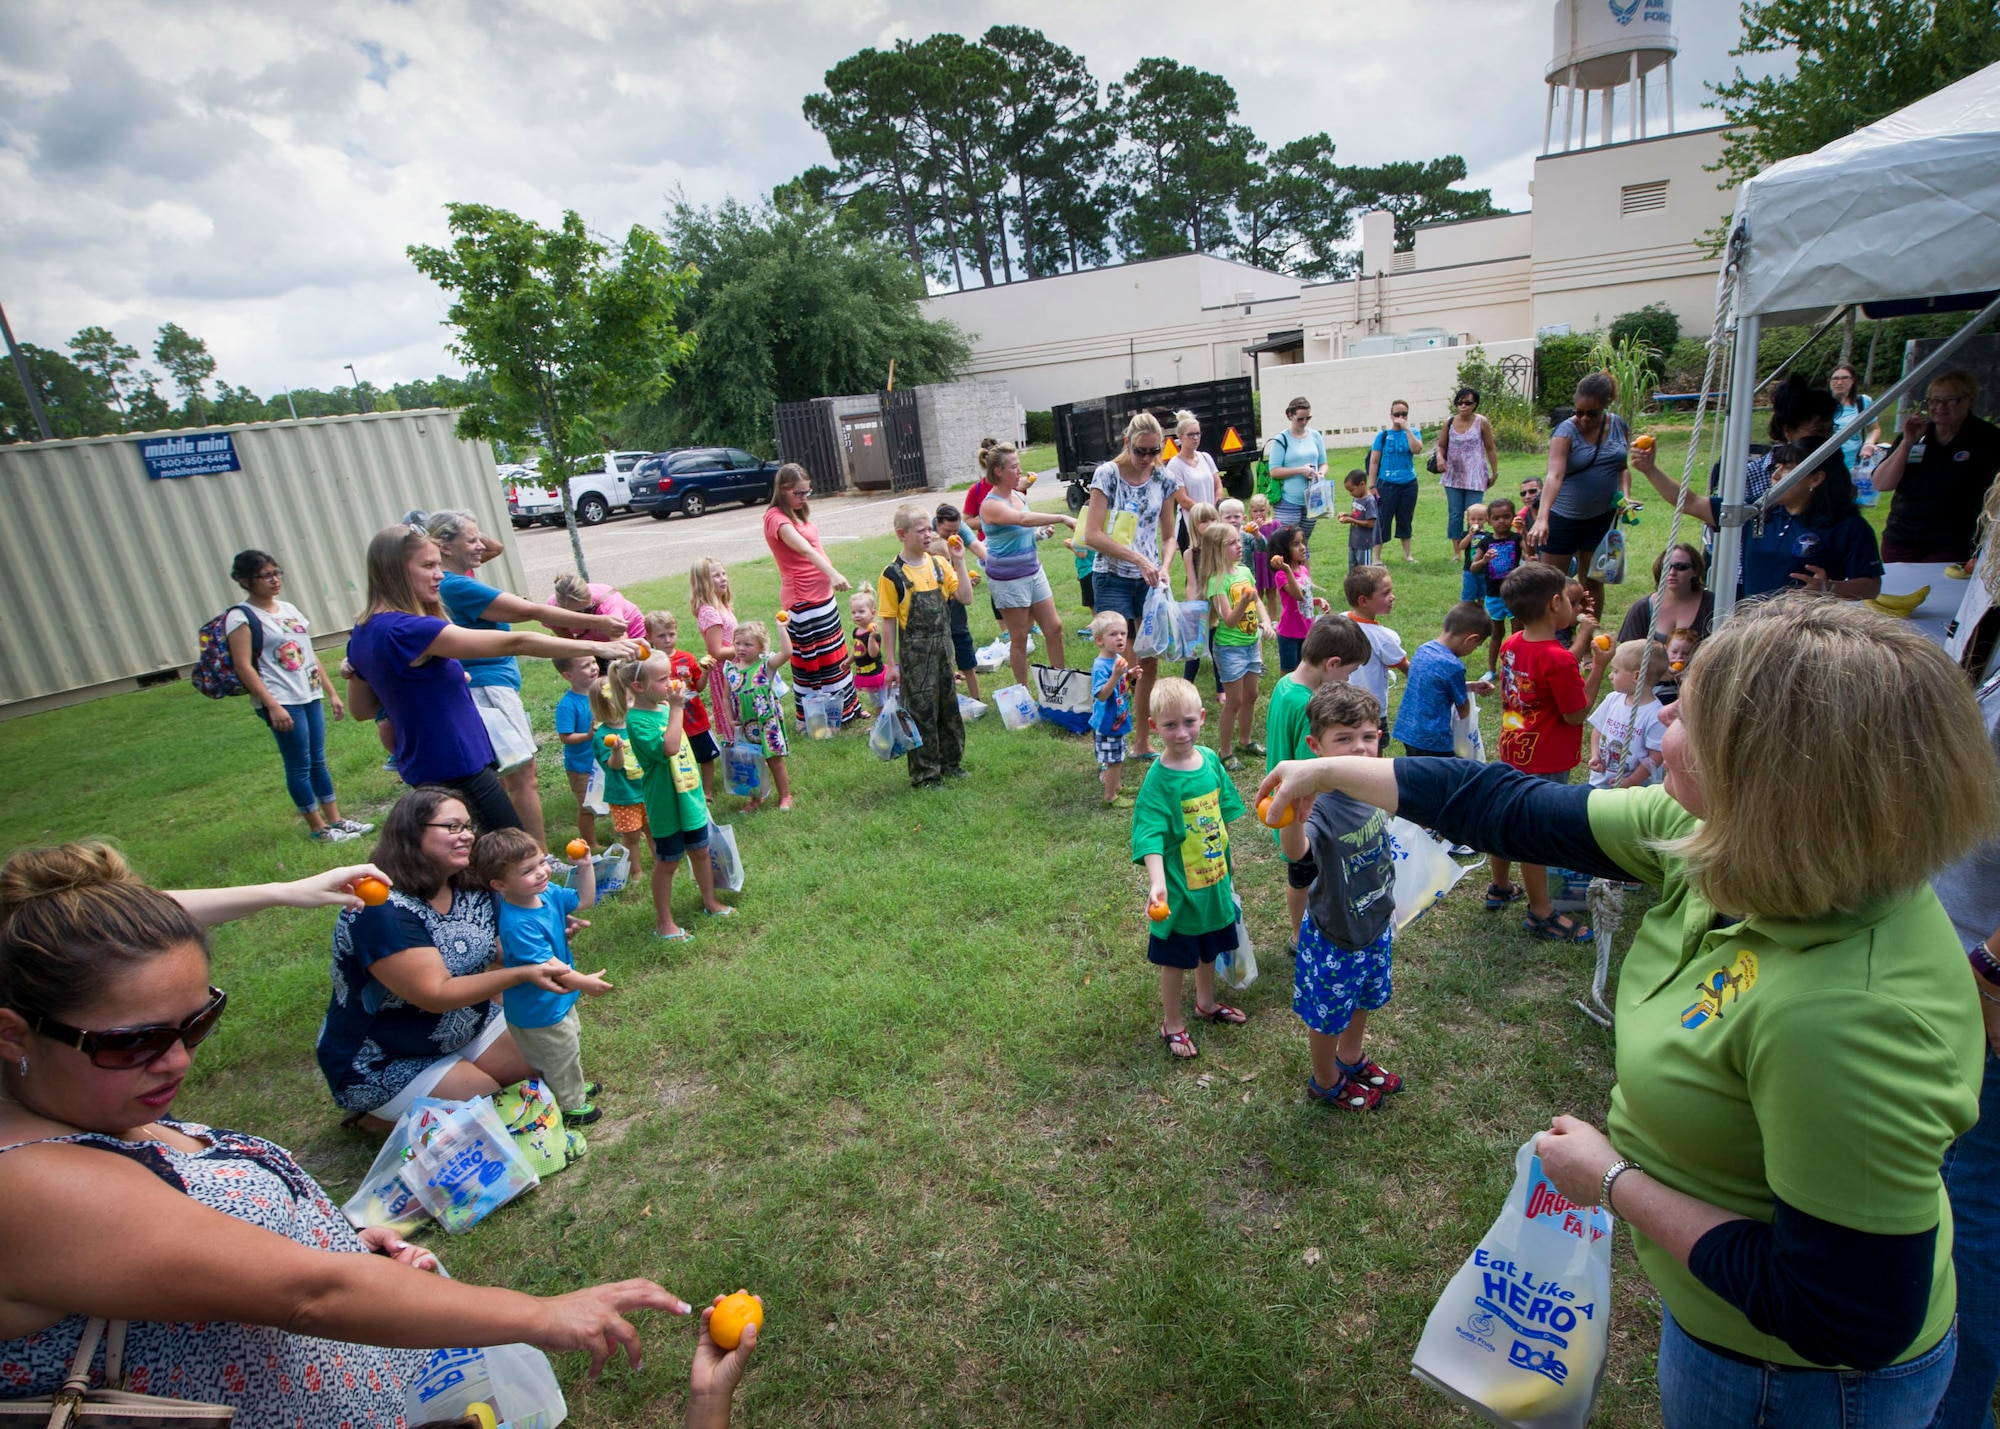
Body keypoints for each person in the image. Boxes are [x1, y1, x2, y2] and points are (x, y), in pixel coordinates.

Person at [1257, 593, 2000, 1429]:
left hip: (1796, 1385)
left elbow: (1848, 1315)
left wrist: (1613, 1180)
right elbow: (1506, 804)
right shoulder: (1726, 839)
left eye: (1697, 710)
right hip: (1725, 1334)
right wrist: (1325, 772)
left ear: (1770, 778)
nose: (1667, 711)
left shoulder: (1849, 1014)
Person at [0, 843, 689, 1424]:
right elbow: (311, 1294)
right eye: (137, 1042)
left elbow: (88, 936)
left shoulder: (84, 1100)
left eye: (196, 1021)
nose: (178, 1058)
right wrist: (544, 1314)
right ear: (12, 1033)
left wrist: (281, 891)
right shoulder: (26, 1186)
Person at [346, 528, 637, 834]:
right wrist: (596, 646)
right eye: (428, 566)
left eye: (438, 565)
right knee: (508, 849)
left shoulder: (365, 630)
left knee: (473, 855)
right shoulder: (407, 629)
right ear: (394, 570)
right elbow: (515, 643)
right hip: (456, 763)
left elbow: (362, 709)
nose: (439, 575)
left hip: (423, 764)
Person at [317, 787, 565, 1123]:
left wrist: (542, 935)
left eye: (467, 827)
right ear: (412, 832)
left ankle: (450, 1084)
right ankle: (371, 1118)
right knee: (488, 1108)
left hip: (468, 1024)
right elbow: (435, 994)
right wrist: (522, 974)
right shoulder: (380, 908)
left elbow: (497, 948)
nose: (466, 836)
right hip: (388, 1054)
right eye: (452, 827)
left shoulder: (469, 882)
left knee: (547, 1069)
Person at [427, 511, 627, 847]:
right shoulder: (457, 585)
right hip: (488, 687)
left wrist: (461, 523)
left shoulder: (456, 576)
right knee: (523, 777)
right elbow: (529, 614)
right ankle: (536, 854)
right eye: (470, 540)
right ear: (445, 547)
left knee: (505, 777)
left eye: (478, 538)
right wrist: (601, 626)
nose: (480, 546)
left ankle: (508, 849)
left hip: (485, 684)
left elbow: (496, 547)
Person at [1931, 665, 2000, 1429]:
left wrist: (1991, 968)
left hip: (1984, 994)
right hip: (1964, 972)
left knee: (1971, 1207)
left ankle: (1949, 1412)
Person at [1279, 684, 1401, 1111]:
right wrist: (1295, 818)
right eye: (1344, 739)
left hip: (1375, 921)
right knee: (1328, 1014)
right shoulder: (1323, 803)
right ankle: (1325, 1079)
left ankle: (1350, 1058)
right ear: (1317, 747)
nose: (1360, 749)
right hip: (1336, 934)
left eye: (1367, 737)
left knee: (1364, 999)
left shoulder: (1377, 785)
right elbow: (1298, 854)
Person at [1131, 677, 1249, 1061]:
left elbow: (1223, 811)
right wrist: (1157, 884)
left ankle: (1206, 1002)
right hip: (1180, 888)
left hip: (1214, 881)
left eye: (1188, 722)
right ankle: (1172, 1023)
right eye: (1169, 725)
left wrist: (1229, 867)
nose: (1181, 733)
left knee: (1209, 946)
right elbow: (1148, 832)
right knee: (1176, 958)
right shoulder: (1160, 779)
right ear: (1154, 728)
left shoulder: (1211, 760)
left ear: (1201, 717)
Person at [1490, 562, 1608, 940]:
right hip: (1544, 758)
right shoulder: (1558, 658)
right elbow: (1575, 715)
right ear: (1556, 604)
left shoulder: (1513, 643)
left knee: (1508, 818)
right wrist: (1598, 668)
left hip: (1513, 748)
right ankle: (1541, 912)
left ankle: (1500, 886)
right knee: (1535, 832)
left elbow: (1545, 675)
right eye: (1571, 601)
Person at [222, 549, 365, 843]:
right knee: (298, 764)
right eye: (266, 575)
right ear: (246, 580)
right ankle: (318, 829)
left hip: (308, 694)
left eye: (277, 573)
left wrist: (331, 693)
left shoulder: (289, 609)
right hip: (281, 699)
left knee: (318, 760)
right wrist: (271, 705)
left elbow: (308, 655)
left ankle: (336, 821)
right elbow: (243, 666)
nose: (275, 580)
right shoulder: (241, 618)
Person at [472, 827, 608, 1127]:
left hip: (556, 998)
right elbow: (549, 967)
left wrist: (585, 866)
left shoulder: (546, 893)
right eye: (527, 871)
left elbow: (584, 901)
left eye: (541, 863)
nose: (541, 873)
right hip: (537, 1009)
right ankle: (570, 1105)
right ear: (499, 884)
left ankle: (568, 1085)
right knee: (558, 1054)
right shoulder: (518, 924)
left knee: (570, 1042)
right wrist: (586, 982)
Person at [1633, 441, 1884, 601]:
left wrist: (1829, 588)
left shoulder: (1848, 525)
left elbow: (1871, 586)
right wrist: (1649, 469)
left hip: (1811, 632)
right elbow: (1691, 503)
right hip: (1754, 626)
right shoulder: (1756, 510)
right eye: (1776, 466)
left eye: (1786, 469)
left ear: (1816, 479)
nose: (1774, 475)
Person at [607, 652, 731, 938]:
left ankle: (710, 901)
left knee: (700, 851)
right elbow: (670, 748)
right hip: (665, 805)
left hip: (688, 797)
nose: (671, 682)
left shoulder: (662, 706)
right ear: (638, 687)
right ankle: (664, 923)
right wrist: (677, 708)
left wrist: (671, 706)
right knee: (668, 862)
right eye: (663, 679)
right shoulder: (637, 721)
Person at [1082, 410, 1182, 761]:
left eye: (1155, 451)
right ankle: (1112, 739)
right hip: (1111, 577)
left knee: (1149, 661)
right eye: (1141, 451)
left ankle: (1141, 742)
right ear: (1127, 443)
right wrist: (1137, 558)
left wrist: (1164, 565)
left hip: (1149, 582)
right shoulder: (1107, 474)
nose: (1147, 459)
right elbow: (1092, 534)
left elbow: (1169, 535)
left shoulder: (1164, 478)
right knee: (1122, 661)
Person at [879, 505, 972, 790]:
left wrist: (959, 561)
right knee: (921, 713)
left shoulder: (939, 565)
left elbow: (965, 598)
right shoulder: (892, 575)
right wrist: (891, 664)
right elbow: (888, 622)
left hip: (943, 653)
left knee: (948, 709)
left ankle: (951, 763)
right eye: (921, 531)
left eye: (929, 529)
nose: (928, 535)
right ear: (901, 534)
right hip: (915, 658)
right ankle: (925, 775)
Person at [762, 463, 858, 725]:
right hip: (802, 599)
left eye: (807, 492)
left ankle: (845, 708)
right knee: (812, 660)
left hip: (822, 597)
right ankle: (816, 717)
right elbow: (805, 549)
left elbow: (815, 545)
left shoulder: (796, 513)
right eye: (799, 493)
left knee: (833, 653)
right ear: (783, 490)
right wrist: (833, 573)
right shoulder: (775, 518)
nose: (804, 498)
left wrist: (829, 578)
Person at [1873, 370, 2000, 565]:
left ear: (1970, 400)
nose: (1940, 407)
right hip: (1902, 538)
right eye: (1933, 401)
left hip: (1953, 543)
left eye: (1950, 401)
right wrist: (1907, 442)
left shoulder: (1987, 439)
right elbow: (1882, 483)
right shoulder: (1918, 434)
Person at [977, 441, 1074, 690]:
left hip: (1033, 571)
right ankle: (1023, 692)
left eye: (1018, 466)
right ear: (998, 471)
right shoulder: (991, 505)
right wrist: (1061, 517)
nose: (1019, 471)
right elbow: (1022, 519)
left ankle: (1059, 685)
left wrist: (1040, 535)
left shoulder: (1018, 495)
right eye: (1014, 467)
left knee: (1054, 628)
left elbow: (1022, 531)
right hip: (1008, 579)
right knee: (1019, 638)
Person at [1530, 371, 1627, 616]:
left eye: (1591, 413)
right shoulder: (1565, 431)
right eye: (1578, 411)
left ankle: (1586, 641)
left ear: (1607, 404)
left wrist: (1625, 496)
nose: (1583, 418)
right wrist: (1542, 518)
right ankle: (1551, 641)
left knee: (1593, 581)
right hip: (1563, 517)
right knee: (1552, 583)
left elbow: (1623, 468)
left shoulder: (1618, 426)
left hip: (1601, 516)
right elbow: (1555, 475)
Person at [1198, 520, 1268, 770]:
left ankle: (1246, 740)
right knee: (1234, 700)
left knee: (1252, 695)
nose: (1239, 546)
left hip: (1250, 643)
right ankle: (1225, 751)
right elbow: (1227, 620)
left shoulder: (1244, 571)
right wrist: (1243, 601)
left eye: (1239, 541)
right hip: (1230, 649)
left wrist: (1267, 622)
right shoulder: (1215, 583)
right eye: (1232, 543)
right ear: (1217, 549)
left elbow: (1258, 600)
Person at [1391, 601, 1494, 759]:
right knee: (1440, 780)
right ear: (1471, 639)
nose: (1474, 650)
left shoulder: (1423, 650)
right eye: (1477, 645)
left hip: (1408, 731)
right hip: (1433, 740)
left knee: (1415, 775)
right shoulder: (1453, 666)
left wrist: (1471, 686)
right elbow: (1463, 708)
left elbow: (1433, 685)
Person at [644, 609, 719, 800]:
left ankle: (707, 792)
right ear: (649, 636)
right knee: (676, 759)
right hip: (667, 722)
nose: (667, 639)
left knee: (706, 756)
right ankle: (681, 791)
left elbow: (699, 687)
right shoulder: (649, 663)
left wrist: (706, 673)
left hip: (695, 718)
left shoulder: (686, 658)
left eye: (671, 634)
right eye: (661, 636)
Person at [720, 620, 793, 811]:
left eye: (748, 644)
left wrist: (781, 628)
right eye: (737, 643)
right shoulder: (730, 670)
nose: (741, 648)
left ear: (761, 646)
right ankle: (755, 797)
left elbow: (787, 653)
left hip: (767, 723)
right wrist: (729, 718)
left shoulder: (765, 665)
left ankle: (785, 796)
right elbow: (726, 697)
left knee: (774, 761)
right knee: (750, 763)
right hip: (745, 725)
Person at [1614, 542, 1714, 670]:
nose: (1672, 572)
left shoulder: (1712, 604)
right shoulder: (1642, 608)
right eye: (1666, 566)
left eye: (1681, 567)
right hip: (1651, 685)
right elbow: (1625, 658)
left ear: (1695, 571)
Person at [589, 676, 650, 874]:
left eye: (631, 700)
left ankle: (663, 861)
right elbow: (614, 766)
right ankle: (636, 871)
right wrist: (616, 750)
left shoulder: (635, 723)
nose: (630, 705)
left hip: (647, 788)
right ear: (606, 708)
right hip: (623, 795)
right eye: (625, 702)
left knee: (654, 830)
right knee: (631, 836)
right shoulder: (602, 736)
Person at [1587, 640, 1667, 789]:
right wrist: (1595, 755)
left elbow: (1655, 757)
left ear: (1637, 676)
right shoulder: (1612, 699)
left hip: (1633, 791)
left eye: (1616, 671)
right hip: (1600, 782)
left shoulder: (1656, 715)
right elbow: (1598, 729)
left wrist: (1631, 781)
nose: (1610, 676)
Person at [1341, 565, 1407, 729]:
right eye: (1385, 593)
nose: (1392, 597)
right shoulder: (1385, 638)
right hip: (1372, 710)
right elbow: (1408, 669)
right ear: (1363, 600)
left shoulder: (1339, 622)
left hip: (1340, 704)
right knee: (1374, 752)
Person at [933, 504, 987, 699]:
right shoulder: (929, 544)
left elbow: (960, 587)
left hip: (956, 616)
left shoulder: (953, 546)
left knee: (966, 658)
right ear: (936, 524)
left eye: (956, 531)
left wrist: (966, 579)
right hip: (938, 618)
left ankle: (976, 699)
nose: (952, 535)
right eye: (948, 531)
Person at [1469, 497, 1524, 679]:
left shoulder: (1517, 539)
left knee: (1518, 634)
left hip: (1515, 595)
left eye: (1506, 516)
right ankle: (1491, 670)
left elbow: (1530, 553)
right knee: (1496, 634)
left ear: (1513, 517)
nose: (1502, 521)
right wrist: (1484, 560)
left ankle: (1517, 668)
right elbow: (1473, 566)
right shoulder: (1485, 542)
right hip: (1493, 596)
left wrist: (1523, 530)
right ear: (1489, 521)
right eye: (1497, 517)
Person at [552, 655, 601, 851]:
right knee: (587, 807)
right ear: (568, 675)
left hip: (606, 760)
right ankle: (591, 842)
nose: (593, 668)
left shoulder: (601, 694)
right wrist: (588, 735)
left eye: (594, 663)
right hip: (581, 766)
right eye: (585, 666)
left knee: (617, 797)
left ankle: (627, 827)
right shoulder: (568, 704)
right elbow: (565, 737)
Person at [1438, 386, 1499, 544]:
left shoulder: (1481, 422)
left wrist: (1494, 472)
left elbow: (1490, 447)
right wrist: (1440, 458)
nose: (1463, 406)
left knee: (1474, 513)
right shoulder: (1449, 422)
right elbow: (1441, 445)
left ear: (1475, 404)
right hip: (1453, 474)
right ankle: (1457, 550)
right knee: (1455, 513)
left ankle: (1474, 546)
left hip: (1475, 474)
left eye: (1467, 402)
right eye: (1459, 403)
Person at [1367, 398, 1424, 563]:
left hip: (1408, 483)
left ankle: (1408, 555)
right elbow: (1374, 461)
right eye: (1397, 414)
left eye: (1404, 414)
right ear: (1391, 415)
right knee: (1383, 519)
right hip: (1387, 483)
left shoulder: (1413, 432)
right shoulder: (1383, 435)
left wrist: (1407, 430)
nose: (1400, 417)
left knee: (1406, 518)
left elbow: (1417, 449)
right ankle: (1376, 557)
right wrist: (1372, 484)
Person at [689, 558, 739, 748]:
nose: (723, 579)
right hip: (725, 672)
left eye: (724, 573)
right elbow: (715, 651)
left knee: (740, 709)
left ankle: (749, 753)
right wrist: (746, 650)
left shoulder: (721, 605)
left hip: (734, 667)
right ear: (703, 582)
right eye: (716, 576)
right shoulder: (709, 611)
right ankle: (738, 755)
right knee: (732, 713)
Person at [1088, 611, 1135, 808]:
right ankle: (1110, 796)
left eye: (1123, 633)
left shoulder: (1116, 659)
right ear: (1099, 640)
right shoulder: (1101, 666)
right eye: (1113, 634)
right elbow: (1101, 695)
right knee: (1114, 760)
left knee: (1119, 754)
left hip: (1118, 718)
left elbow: (1120, 685)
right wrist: (1116, 675)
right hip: (1108, 722)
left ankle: (1116, 786)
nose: (1120, 638)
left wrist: (1130, 675)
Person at [1268, 397, 1327, 546]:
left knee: (1303, 544)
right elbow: (1274, 471)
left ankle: (1305, 571)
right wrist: (1300, 470)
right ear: (1290, 415)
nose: (1304, 422)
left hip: (1313, 498)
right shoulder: (1281, 439)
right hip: (1288, 500)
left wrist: (1321, 473)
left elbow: (1324, 463)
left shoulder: (1315, 436)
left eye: (1308, 418)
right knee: (1287, 545)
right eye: (1300, 418)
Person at [1267, 524, 1323, 675]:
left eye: (1303, 542)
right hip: (1289, 632)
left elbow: (1305, 596)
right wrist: (1286, 569)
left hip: (1307, 629)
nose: (1303, 547)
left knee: (1305, 668)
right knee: (1289, 671)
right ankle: (1285, 696)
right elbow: (1297, 595)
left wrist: (1317, 601)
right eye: (1296, 544)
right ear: (1283, 550)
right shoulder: (1281, 575)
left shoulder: (1303, 569)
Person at [1167, 411, 1220, 553]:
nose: (1195, 438)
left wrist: (1215, 509)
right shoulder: (1175, 465)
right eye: (1191, 435)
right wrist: (1204, 514)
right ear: (1180, 437)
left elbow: (1218, 486)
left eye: (1198, 433)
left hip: (1212, 520)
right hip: (1190, 522)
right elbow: (1183, 499)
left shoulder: (1206, 457)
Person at [548, 573, 647, 645]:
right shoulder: (552, 611)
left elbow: (622, 645)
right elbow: (570, 643)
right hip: (593, 641)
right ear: (560, 608)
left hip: (632, 634)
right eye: (575, 613)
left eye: (587, 610)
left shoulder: (607, 602)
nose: (583, 616)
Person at [1828, 361, 1882, 475]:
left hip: (1854, 465)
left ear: (1852, 381)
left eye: (1845, 378)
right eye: (1835, 378)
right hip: (1826, 465)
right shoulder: (1820, 404)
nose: (1839, 382)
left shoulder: (1862, 402)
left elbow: (1874, 429)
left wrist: (1869, 444)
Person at [848, 590, 887, 716]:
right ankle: (881, 722)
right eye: (853, 612)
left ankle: (882, 724)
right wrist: (848, 661)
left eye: (861, 611)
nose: (857, 615)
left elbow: (873, 653)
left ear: (872, 613)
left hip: (875, 673)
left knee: (881, 702)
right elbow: (857, 649)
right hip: (865, 674)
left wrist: (871, 638)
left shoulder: (873, 633)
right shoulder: (856, 631)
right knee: (875, 701)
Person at [1248, 492, 1281, 618]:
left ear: (1268, 508)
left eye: (1261, 510)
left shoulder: (1274, 524)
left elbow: (1279, 540)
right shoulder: (1249, 527)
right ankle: (1258, 620)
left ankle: (1272, 619)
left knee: (1272, 593)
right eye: (1255, 511)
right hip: (1256, 563)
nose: (1258, 513)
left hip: (1269, 563)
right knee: (1257, 593)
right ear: (1250, 511)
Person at [1338, 469, 1377, 568]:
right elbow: (1357, 515)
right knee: (1353, 568)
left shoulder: (1369, 501)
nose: (1350, 493)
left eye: (1352, 490)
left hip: (1364, 543)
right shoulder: (1356, 498)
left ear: (1362, 484)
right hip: (1354, 541)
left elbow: (1371, 523)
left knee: (1364, 570)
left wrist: (1352, 520)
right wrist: (1347, 516)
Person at [1454, 502, 1489, 603]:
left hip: (1484, 570)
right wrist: (1470, 535)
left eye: (1480, 519)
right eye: (1473, 519)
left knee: (1483, 595)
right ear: (1468, 519)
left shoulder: (1488, 535)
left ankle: (1481, 614)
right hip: (1469, 570)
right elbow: (1461, 546)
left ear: (1486, 519)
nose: (1476, 522)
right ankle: (1467, 613)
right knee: (1468, 595)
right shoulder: (1466, 534)